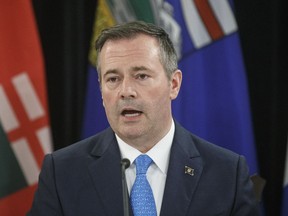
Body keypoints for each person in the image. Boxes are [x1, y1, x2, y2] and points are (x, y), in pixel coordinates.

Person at [28, 21, 259, 216]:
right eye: (112, 79)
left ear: (174, 84)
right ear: (101, 90)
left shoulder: (227, 174)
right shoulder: (62, 173)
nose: (126, 90)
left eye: (141, 75)